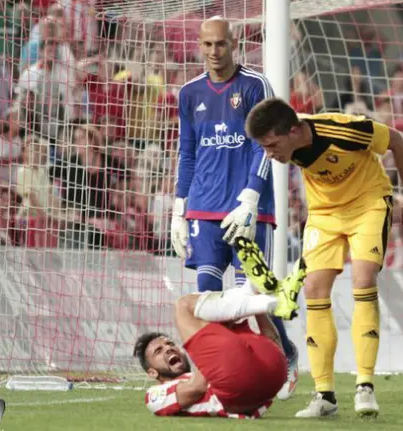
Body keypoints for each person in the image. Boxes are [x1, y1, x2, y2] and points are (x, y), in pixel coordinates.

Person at [244, 98, 403, 418]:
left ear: (295, 131)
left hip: (368, 204)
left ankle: (365, 386)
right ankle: (324, 395)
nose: (269, 154)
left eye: (272, 145)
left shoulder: (345, 130)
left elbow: (396, 140)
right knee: (313, 288)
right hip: (325, 214)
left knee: (363, 278)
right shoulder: (286, 141)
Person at [169, 16, 300, 400]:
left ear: (234, 43)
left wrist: (251, 197)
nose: (214, 51)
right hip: (204, 208)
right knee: (208, 300)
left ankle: (284, 355)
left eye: (221, 44)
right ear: (199, 45)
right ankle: (218, 377)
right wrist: (180, 209)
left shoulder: (256, 85)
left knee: (251, 298)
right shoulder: (190, 92)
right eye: (207, 45)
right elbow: (187, 153)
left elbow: (268, 144)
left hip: (249, 210)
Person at [136, 239, 306, 418]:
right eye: (158, 351)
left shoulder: (211, 367)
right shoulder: (154, 396)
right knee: (183, 306)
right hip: (242, 385)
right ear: (152, 372)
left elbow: (272, 340)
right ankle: (259, 293)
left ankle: (259, 294)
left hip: (274, 377)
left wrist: (260, 313)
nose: (169, 348)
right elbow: (197, 387)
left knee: (231, 318)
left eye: (170, 343)